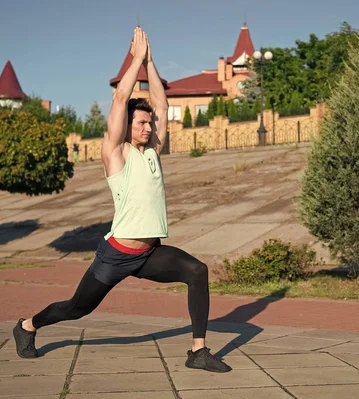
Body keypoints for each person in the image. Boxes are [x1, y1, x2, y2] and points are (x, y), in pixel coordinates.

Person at [13, 26, 231, 373]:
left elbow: (162, 104)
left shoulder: (152, 152)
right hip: (116, 256)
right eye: (141, 123)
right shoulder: (117, 154)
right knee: (76, 308)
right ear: (127, 125)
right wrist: (136, 60)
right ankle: (27, 326)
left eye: (149, 123)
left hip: (149, 254)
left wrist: (152, 63)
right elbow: (119, 100)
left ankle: (198, 351)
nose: (148, 127)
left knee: (197, 271)